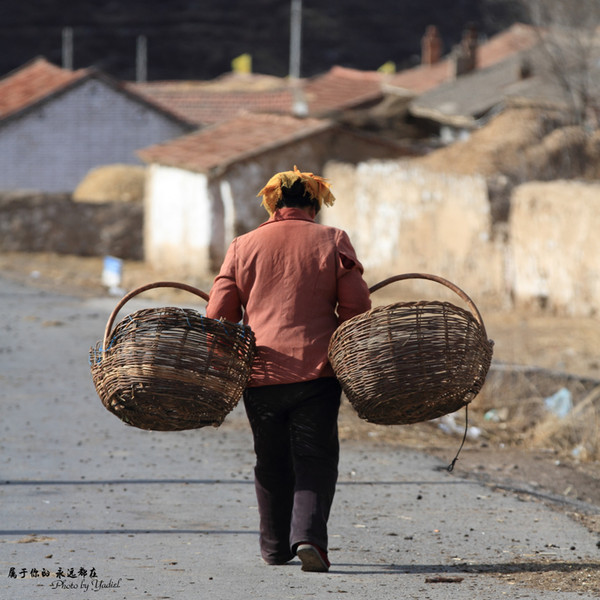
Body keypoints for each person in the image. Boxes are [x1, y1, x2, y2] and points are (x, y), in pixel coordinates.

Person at [206, 166, 371, 572]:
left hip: (260, 374)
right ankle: (309, 538)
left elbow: (219, 313)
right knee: (315, 456)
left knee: (271, 459)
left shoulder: (244, 244)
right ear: (315, 204)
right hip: (318, 372)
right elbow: (356, 309)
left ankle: (275, 547)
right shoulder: (333, 240)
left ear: (273, 203)